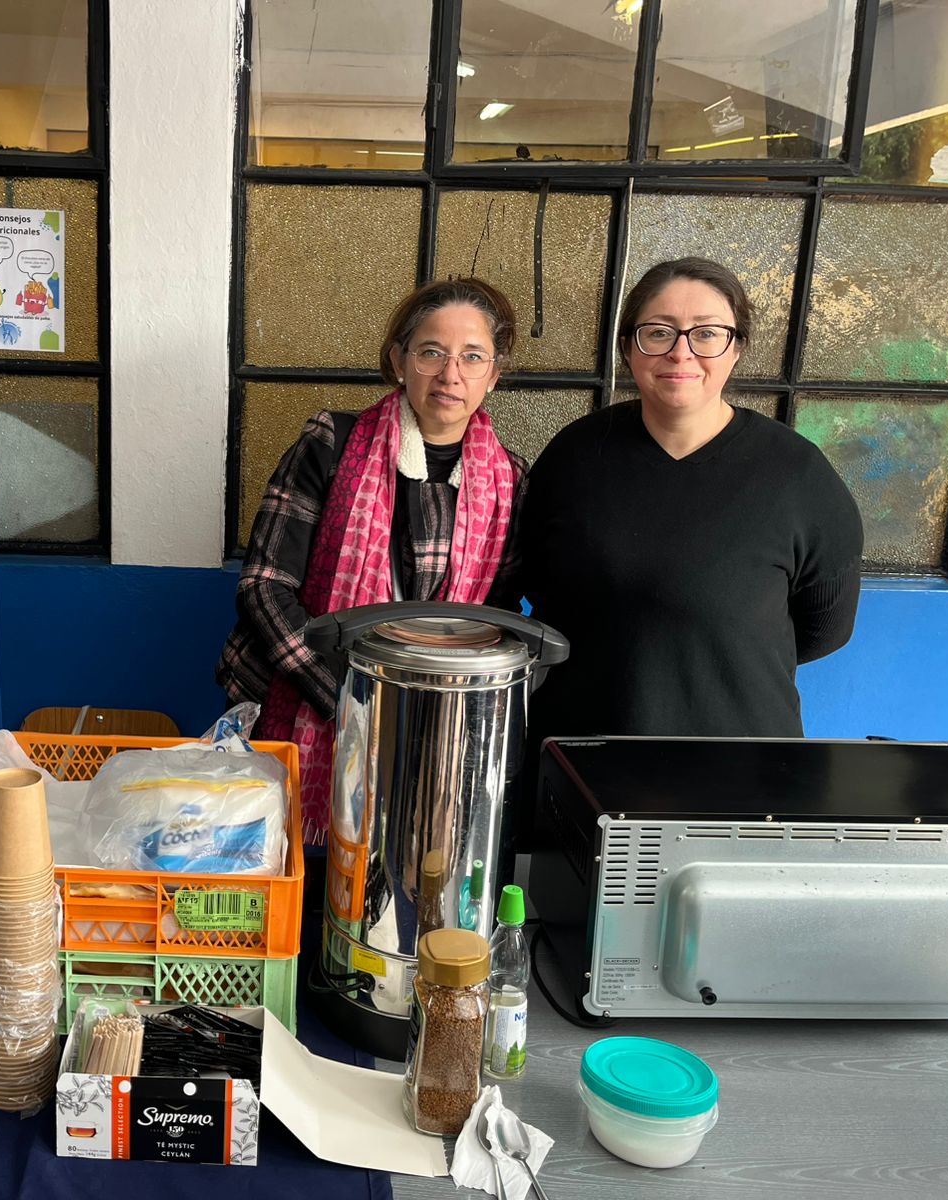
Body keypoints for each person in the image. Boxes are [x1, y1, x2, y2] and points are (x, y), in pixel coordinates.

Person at [502, 256, 863, 771]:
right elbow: (532, 582)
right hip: (579, 764)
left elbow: (826, 627)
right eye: (658, 332)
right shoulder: (575, 456)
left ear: (736, 348)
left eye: (707, 333)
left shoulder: (798, 475)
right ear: (628, 347)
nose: (680, 352)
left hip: (740, 771)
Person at [218, 277, 527, 844]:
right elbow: (263, 587)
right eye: (431, 352)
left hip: (434, 730)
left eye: (472, 356)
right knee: (299, 872)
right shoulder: (332, 443)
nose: (450, 374)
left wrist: (424, 714)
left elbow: (494, 622)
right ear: (399, 360)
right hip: (310, 700)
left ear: (494, 373)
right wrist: (351, 702)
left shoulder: (510, 480)